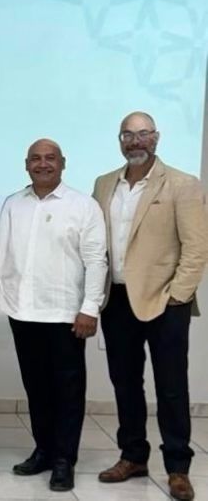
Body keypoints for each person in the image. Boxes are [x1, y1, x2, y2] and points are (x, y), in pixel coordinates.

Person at [93, 112, 208, 501]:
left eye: (143, 134)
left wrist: (178, 295)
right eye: (128, 134)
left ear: (156, 138)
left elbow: (196, 247)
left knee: (171, 387)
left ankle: (178, 468)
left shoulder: (182, 184)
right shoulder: (104, 184)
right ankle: (132, 456)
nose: (135, 141)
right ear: (120, 140)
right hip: (116, 299)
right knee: (125, 383)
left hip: (165, 301)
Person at [0, 139, 107, 492]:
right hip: (23, 312)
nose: (43, 164)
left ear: (63, 163)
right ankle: (43, 450)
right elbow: (3, 256)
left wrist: (89, 308)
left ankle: (64, 460)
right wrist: (9, 300)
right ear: (26, 164)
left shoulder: (83, 206)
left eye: (50, 158)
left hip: (66, 314)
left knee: (67, 391)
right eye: (36, 158)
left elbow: (96, 260)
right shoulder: (13, 204)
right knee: (36, 387)